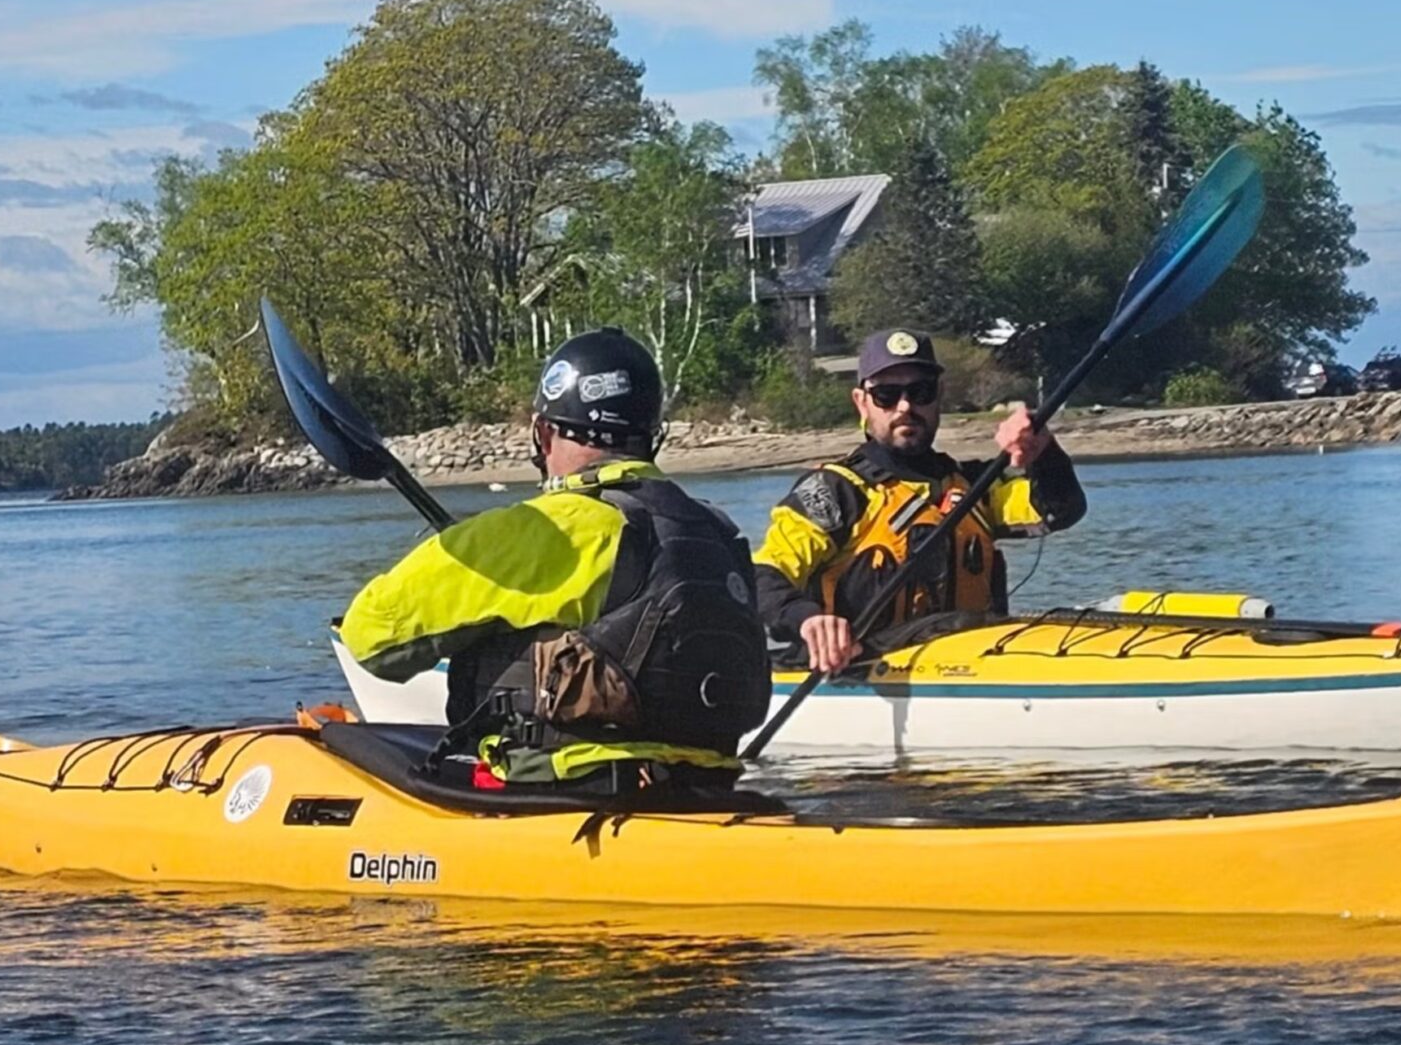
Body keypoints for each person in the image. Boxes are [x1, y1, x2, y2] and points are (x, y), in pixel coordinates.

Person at [337, 329, 772, 792]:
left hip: (559, 792)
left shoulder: (541, 528)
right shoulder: (718, 532)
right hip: (710, 787)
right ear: (652, 437)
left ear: (543, 433)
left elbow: (370, 637)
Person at [754, 328, 1088, 675]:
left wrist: (1044, 450)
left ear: (938, 395)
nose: (905, 406)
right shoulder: (834, 492)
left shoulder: (977, 486)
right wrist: (807, 619)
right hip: (862, 672)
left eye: (920, 392)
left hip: (971, 668)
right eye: (886, 395)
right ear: (861, 402)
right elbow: (765, 574)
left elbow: (1060, 509)